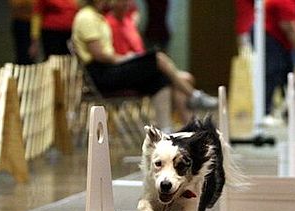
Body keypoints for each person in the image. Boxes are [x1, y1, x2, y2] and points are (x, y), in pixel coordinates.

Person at [72, 0, 217, 130]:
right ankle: (193, 95)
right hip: (101, 74)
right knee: (157, 58)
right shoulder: (87, 17)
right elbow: (99, 54)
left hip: (109, 68)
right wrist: (124, 59)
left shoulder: (97, 16)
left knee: (160, 79)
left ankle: (166, 130)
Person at [105, 0, 199, 123]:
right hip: (126, 70)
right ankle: (193, 100)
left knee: (183, 78)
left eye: (127, 2)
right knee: (161, 63)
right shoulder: (108, 23)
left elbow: (139, 49)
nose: (126, 5)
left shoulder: (129, 23)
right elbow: (115, 55)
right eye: (122, 2)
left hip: (142, 59)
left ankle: (188, 126)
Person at [264, 0, 295, 115]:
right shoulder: (285, 2)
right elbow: (289, 26)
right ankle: (266, 111)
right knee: (272, 73)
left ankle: (291, 111)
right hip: (272, 39)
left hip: (282, 41)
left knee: (287, 75)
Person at [9, 0, 34, 64]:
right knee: (21, 53)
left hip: (32, 23)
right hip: (19, 23)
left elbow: (35, 6)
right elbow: (15, 6)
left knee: (31, 54)